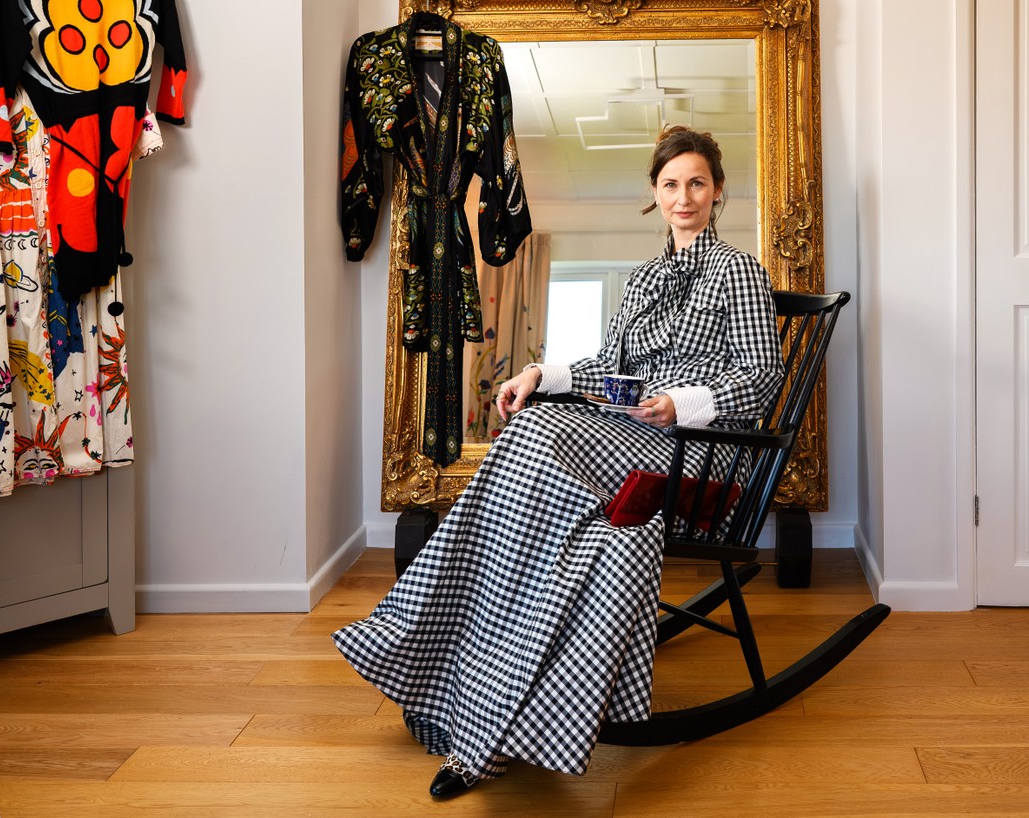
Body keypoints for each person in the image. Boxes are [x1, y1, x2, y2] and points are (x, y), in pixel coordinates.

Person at [332, 125, 784, 798]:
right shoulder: (642, 280)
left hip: (698, 451)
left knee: (536, 432)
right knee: (535, 429)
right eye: (670, 184)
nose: (683, 197)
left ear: (718, 190)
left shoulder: (738, 271)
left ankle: (437, 662)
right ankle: (470, 689)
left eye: (697, 183)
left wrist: (681, 404)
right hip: (627, 436)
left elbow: (763, 376)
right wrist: (538, 374)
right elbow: (607, 367)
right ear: (655, 193)